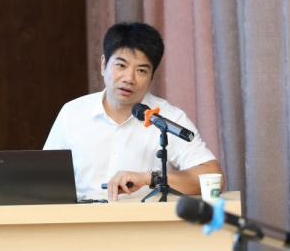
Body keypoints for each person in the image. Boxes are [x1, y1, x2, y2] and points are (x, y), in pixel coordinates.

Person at [44, 22, 223, 201]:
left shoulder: (167, 118)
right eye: (121, 66)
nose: (129, 78)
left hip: (143, 217)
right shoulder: (72, 113)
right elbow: (44, 180)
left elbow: (213, 177)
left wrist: (149, 178)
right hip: (80, 216)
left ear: (152, 77)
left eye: (141, 70)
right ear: (103, 65)